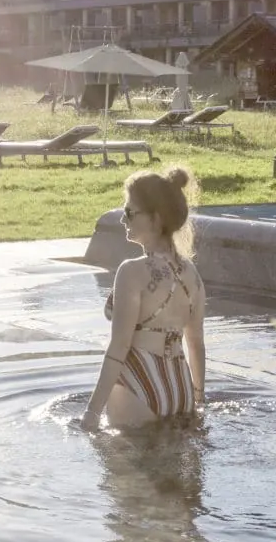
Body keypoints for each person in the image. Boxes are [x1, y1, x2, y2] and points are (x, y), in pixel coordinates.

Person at [82, 166, 206, 431]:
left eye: (129, 212)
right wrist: (198, 400)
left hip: (138, 381)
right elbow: (195, 344)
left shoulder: (132, 271)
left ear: (155, 218)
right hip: (180, 387)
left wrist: (91, 414)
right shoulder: (192, 274)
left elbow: (119, 347)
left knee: (122, 467)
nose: (122, 219)